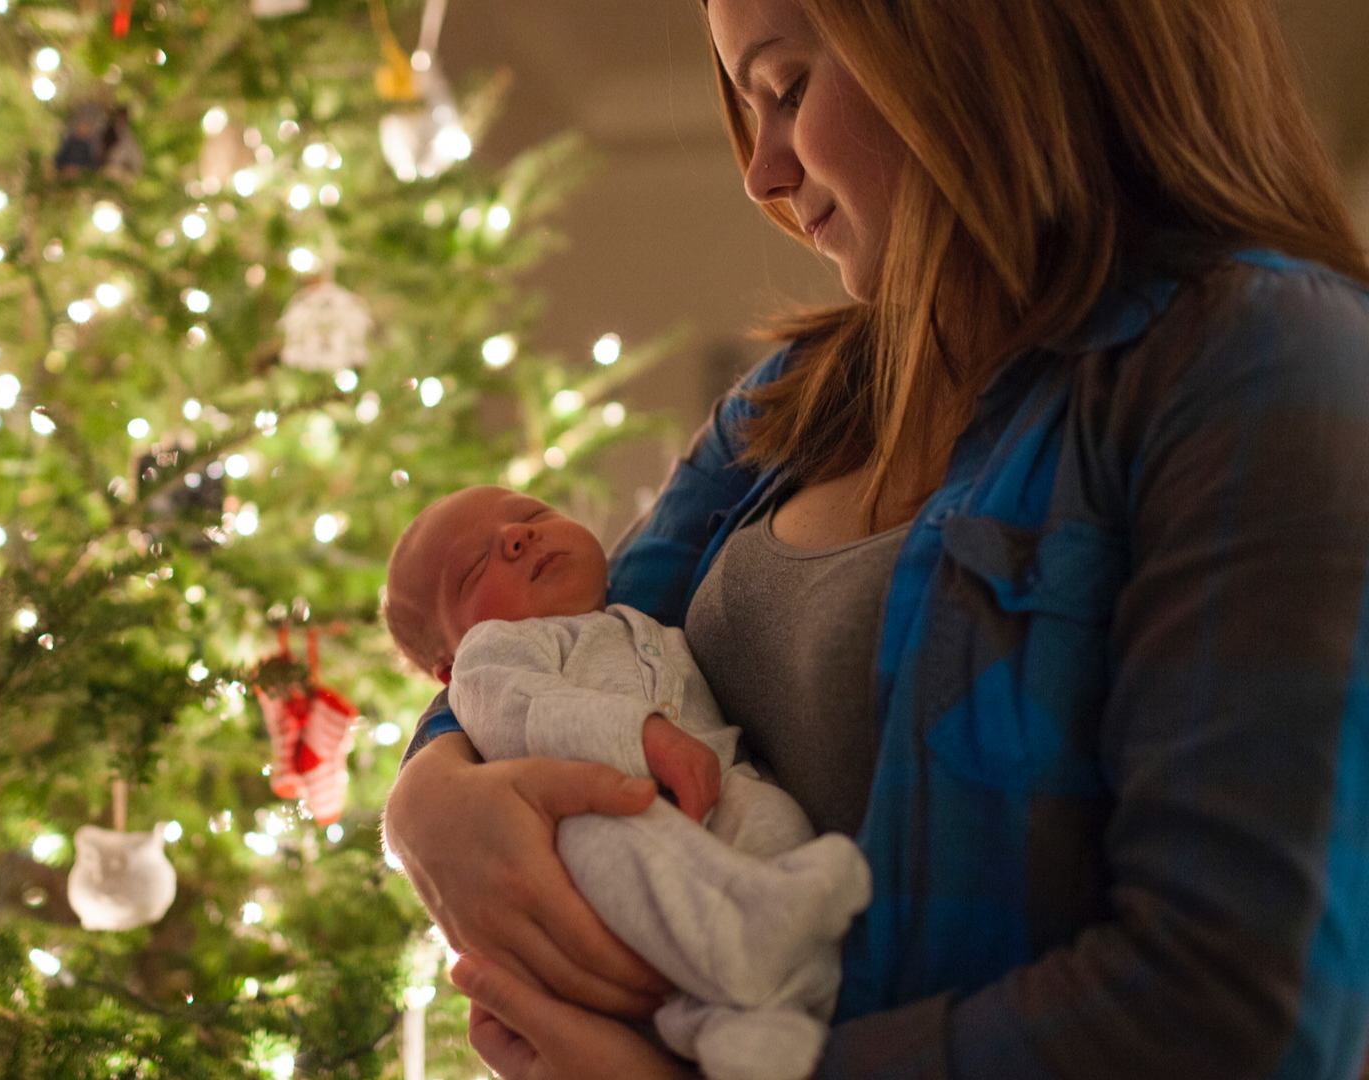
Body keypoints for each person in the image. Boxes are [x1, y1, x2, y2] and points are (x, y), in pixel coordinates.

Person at [381, 0, 1369, 1077]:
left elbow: (1237, 1013)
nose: (759, 174)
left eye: (789, 90)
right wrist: (429, 791)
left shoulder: (1263, 360)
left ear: (982, 39)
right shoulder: (793, 400)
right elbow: (573, 625)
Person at [385, 484, 872, 1080]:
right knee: (614, 849)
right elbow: (521, 710)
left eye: (534, 514)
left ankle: (747, 1020)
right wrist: (641, 735)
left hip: (716, 797)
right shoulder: (496, 653)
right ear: (448, 668)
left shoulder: (639, 621)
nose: (517, 536)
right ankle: (742, 956)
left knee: (771, 816)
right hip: (602, 816)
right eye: (474, 566)